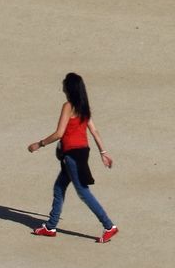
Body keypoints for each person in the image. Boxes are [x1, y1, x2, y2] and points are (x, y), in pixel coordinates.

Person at [28, 72, 117, 243]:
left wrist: (39, 144)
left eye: (64, 83)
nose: (62, 85)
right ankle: (51, 226)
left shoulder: (68, 106)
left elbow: (59, 133)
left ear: (69, 88)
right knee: (59, 188)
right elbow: (94, 131)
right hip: (82, 152)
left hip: (72, 155)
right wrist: (103, 153)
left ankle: (109, 226)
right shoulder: (84, 107)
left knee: (83, 192)